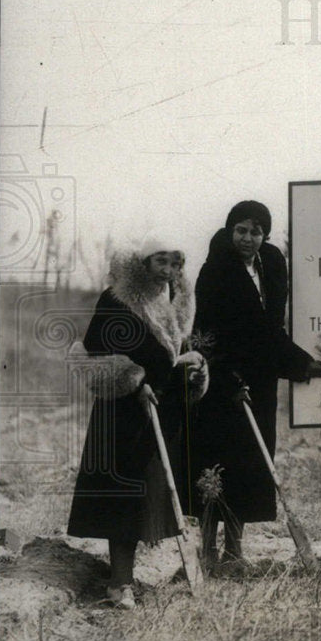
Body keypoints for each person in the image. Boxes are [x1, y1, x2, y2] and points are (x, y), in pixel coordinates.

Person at [67, 236, 209, 609]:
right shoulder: (117, 299)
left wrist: (193, 373)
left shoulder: (176, 302)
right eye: (160, 262)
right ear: (143, 264)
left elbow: (175, 355)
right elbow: (95, 354)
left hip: (162, 410)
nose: (168, 270)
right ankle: (119, 584)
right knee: (123, 499)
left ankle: (141, 575)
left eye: (175, 262)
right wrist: (133, 381)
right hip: (124, 414)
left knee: (153, 498)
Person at [189, 201, 321, 568]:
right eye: (241, 230)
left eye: (255, 231)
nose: (247, 239)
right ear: (230, 231)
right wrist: (225, 375)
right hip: (220, 384)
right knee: (215, 464)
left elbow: (269, 334)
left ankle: (235, 550)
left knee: (250, 465)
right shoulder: (214, 270)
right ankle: (207, 550)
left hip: (259, 383)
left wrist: (301, 363)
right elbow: (205, 333)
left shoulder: (269, 268)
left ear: (264, 234)